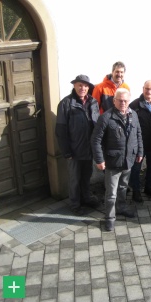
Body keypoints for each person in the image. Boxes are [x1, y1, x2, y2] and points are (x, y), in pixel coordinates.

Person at [91, 88, 143, 231]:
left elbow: (138, 134)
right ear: (114, 101)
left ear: (129, 100)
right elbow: (96, 140)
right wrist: (99, 159)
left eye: (125, 100)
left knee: (123, 188)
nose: (123, 103)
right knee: (111, 193)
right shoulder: (106, 117)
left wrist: (140, 152)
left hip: (128, 160)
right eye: (119, 100)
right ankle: (109, 218)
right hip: (113, 162)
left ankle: (121, 208)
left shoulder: (134, 115)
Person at [55, 75, 100, 216]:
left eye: (86, 86)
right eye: (80, 85)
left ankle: (86, 198)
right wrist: (66, 151)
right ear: (74, 86)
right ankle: (75, 204)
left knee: (87, 176)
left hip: (89, 148)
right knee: (75, 179)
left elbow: (97, 125)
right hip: (74, 150)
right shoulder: (66, 103)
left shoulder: (93, 102)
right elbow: (60, 130)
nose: (83, 88)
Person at [129, 80, 151, 202]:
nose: (149, 92)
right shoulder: (134, 105)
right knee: (136, 169)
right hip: (139, 144)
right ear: (143, 88)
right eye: (147, 89)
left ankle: (148, 188)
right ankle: (136, 191)